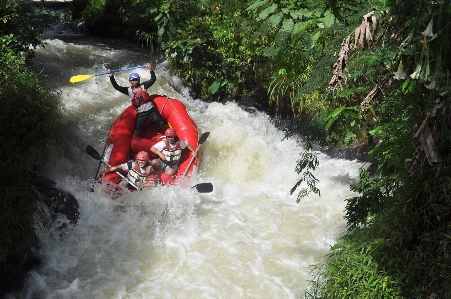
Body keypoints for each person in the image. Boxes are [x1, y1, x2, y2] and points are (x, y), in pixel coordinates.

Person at [109, 62, 165, 137]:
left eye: (136, 80)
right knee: (137, 131)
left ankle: (171, 136)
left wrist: (150, 69)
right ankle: (134, 144)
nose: (135, 81)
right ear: (130, 81)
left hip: (151, 110)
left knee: (162, 124)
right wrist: (112, 77)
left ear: (139, 80)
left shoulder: (144, 85)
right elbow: (117, 87)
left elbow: (153, 79)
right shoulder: (128, 90)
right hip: (141, 114)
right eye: (133, 80)